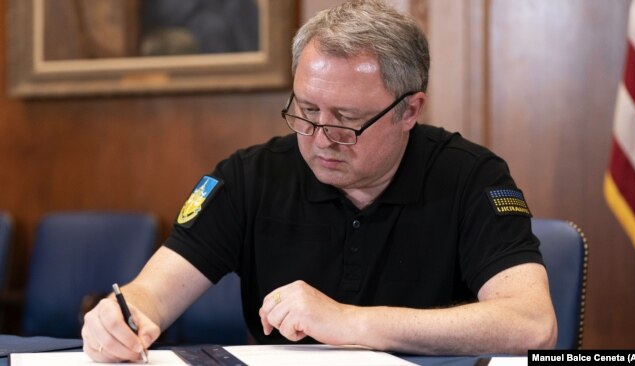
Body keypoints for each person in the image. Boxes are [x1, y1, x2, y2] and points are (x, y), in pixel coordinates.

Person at [81, 0, 557, 362]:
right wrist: (121, 318)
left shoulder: (471, 177)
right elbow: (152, 294)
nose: (320, 139)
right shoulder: (251, 176)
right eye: (307, 111)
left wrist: (350, 322)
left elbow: (533, 324)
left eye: (346, 120)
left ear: (409, 110)